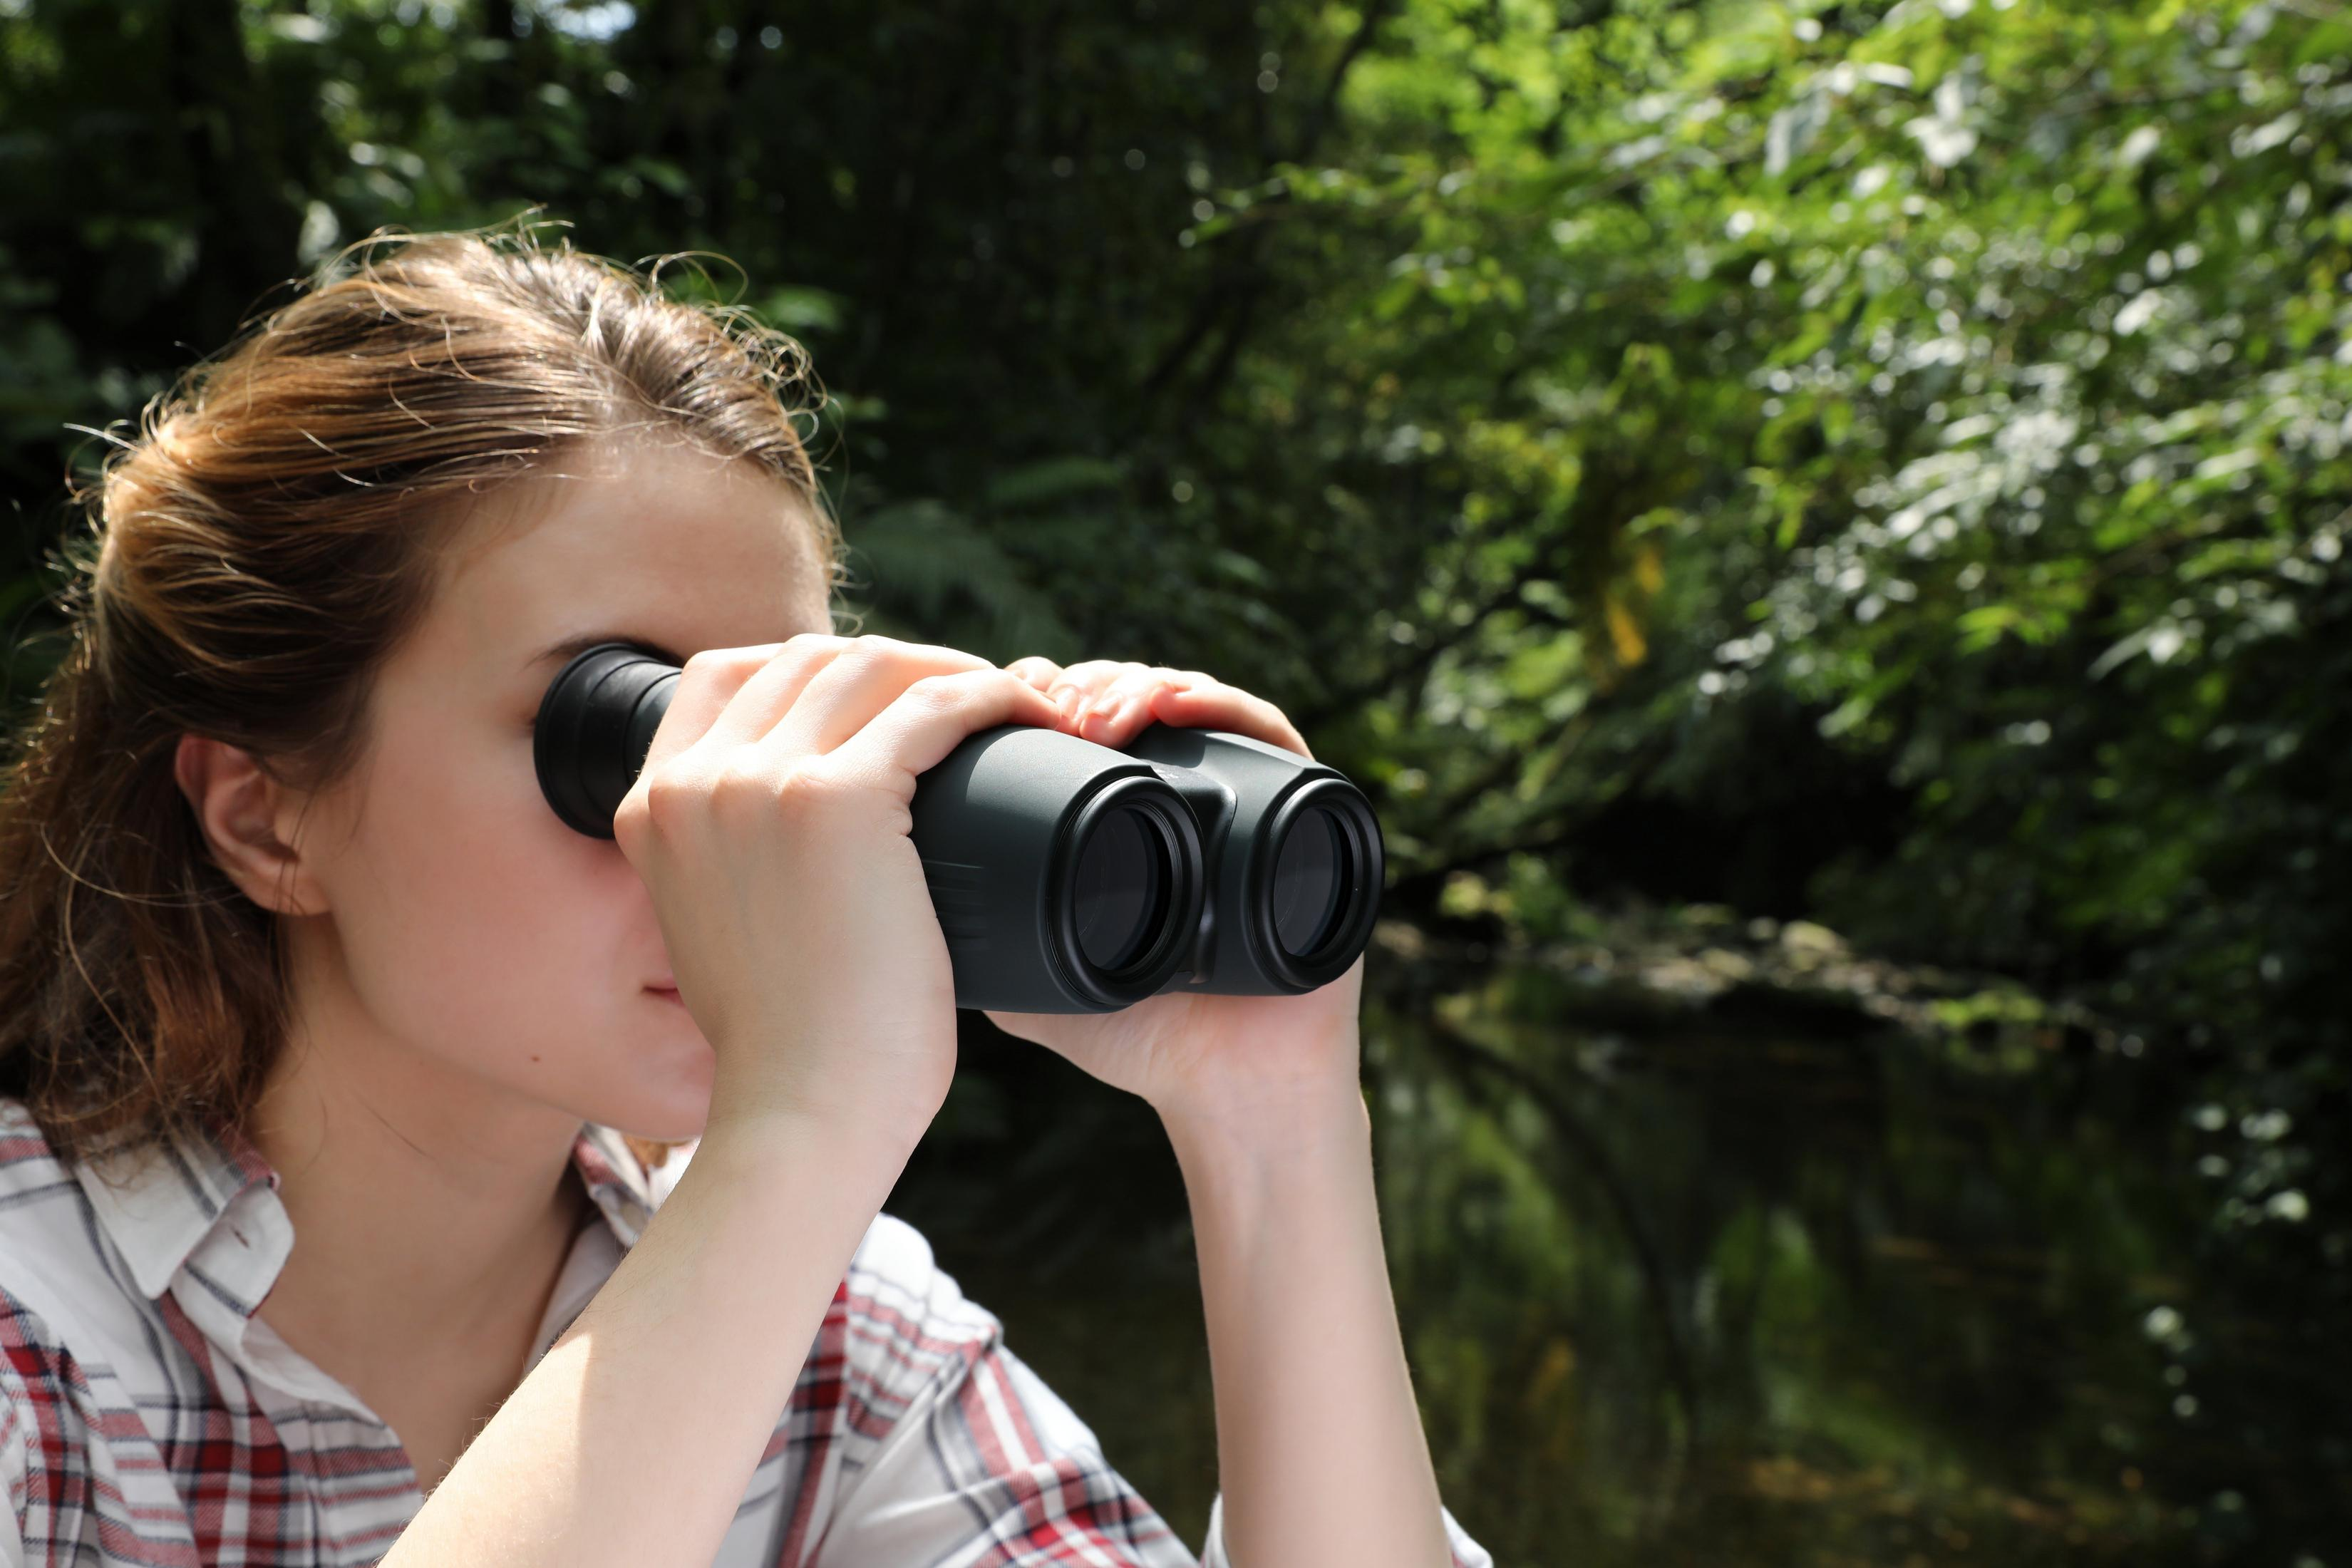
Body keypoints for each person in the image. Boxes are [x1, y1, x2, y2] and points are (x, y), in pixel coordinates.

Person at [0, 224, 1493, 1567]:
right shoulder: (35, 1341)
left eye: (788, 724)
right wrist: (796, 1134)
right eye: (620, 730)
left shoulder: (831, 1329)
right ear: (266, 816)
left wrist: (1276, 1126)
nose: (739, 818)